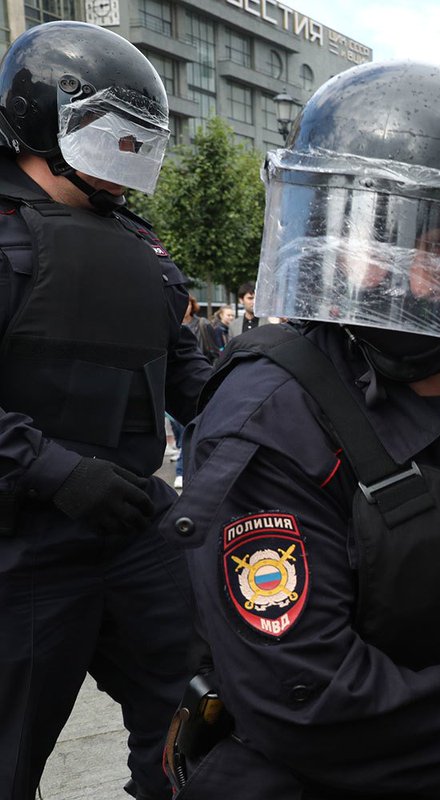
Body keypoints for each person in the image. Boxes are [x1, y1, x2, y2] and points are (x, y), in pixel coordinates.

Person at [162, 60, 440, 800]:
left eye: (439, 244)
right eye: (371, 238)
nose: (400, 277)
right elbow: (303, 694)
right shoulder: (274, 416)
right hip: (330, 774)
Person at [0, 21, 212, 800]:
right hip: (20, 541)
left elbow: (188, 376)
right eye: (111, 135)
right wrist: (55, 472)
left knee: (201, 718)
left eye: (136, 140)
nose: (128, 156)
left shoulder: (141, 247)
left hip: (130, 527)